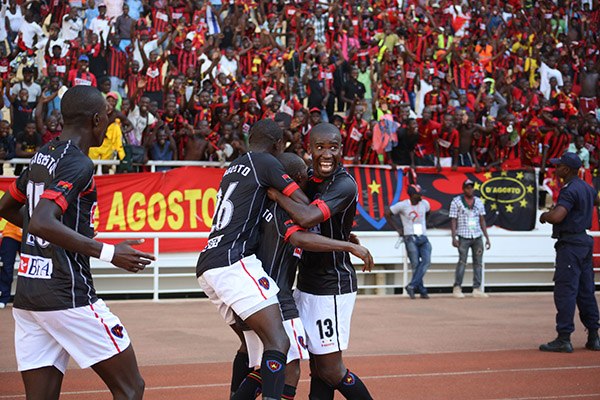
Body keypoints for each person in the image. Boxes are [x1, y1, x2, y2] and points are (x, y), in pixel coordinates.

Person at [0, 85, 155, 399]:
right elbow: (43, 221)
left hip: (29, 298)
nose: (110, 123)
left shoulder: (43, 154)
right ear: (96, 120)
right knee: (131, 387)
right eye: (108, 117)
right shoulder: (79, 163)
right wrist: (110, 252)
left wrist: (41, 231)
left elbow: (6, 207)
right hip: (68, 295)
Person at [232, 152, 374, 400]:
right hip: (281, 300)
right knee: (299, 369)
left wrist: (338, 237)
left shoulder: (266, 204)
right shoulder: (286, 208)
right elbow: (300, 234)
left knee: (307, 366)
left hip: (265, 294)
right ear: (295, 179)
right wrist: (347, 246)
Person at [195, 119, 309, 400]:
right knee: (278, 342)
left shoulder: (233, 166)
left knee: (251, 349)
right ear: (278, 144)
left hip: (208, 262)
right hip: (233, 261)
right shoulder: (267, 164)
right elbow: (304, 205)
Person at [268, 123, 374, 400]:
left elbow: (307, 219)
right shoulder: (309, 179)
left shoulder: (344, 183)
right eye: (320, 147)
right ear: (309, 149)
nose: (327, 154)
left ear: (342, 149)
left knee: (330, 370)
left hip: (332, 287)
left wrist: (278, 194)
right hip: (305, 285)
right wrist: (346, 236)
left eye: (333, 147)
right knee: (317, 368)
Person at [538, 152, 600, 353]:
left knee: (566, 291)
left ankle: (564, 338)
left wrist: (545, 216)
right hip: (584, 241)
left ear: (567, 169)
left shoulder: (569, 189)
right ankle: (594, 336)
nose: (556, 169)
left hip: (570, 244)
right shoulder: (587, 187)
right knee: (586, 291)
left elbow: (558, 216)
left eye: (559, 166)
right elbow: (596, 200)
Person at [384, 184, 432, 299]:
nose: (421, 195)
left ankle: (412, 286)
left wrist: (424, 224)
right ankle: (421, 289)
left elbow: (428, 213)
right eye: (419, 193)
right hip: (410, 237)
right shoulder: (403, 205)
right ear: (412, 195)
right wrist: (398, 229)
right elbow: (387, 213)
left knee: (426, 261)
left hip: (423, 236)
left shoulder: (425, 204)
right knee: (415, 264)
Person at [449, 179, 491, 299]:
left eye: (471, 187)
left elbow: (482, 219)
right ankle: (457, 287)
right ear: (463, 189)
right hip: (463, 236)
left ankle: (477, 288)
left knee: (478, 262)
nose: (470, 190)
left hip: (477, 235)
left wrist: (487, 237)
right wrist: (454, 237)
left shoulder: (478, 201)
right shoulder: (456, 201)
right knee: (462, 262)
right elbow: (453, 219)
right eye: (467, 187)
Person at [0, 222, 21, 308]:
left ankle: (31, 297)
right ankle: (3, 298)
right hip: (10, 233)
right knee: (6, 266)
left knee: (30, 266)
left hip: (29, 233)